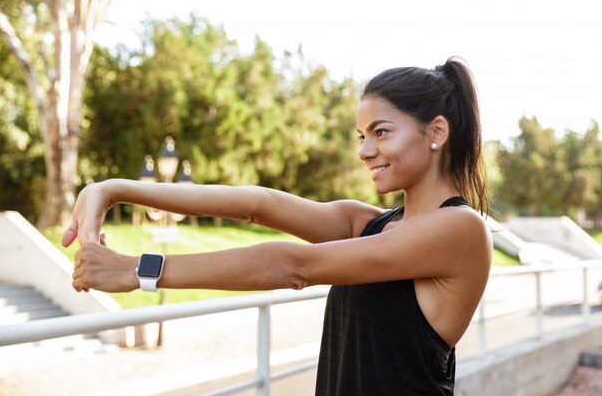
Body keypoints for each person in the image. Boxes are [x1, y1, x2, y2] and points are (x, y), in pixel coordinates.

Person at [62, 56, 492, 395]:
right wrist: (112, 188)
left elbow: (291, 266)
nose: (364, 151)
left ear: (436, 132)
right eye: (361, 135)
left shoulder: (460, 230)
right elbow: (258, 204)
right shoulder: (369, 223)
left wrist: (138, 270)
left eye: (380, 132)